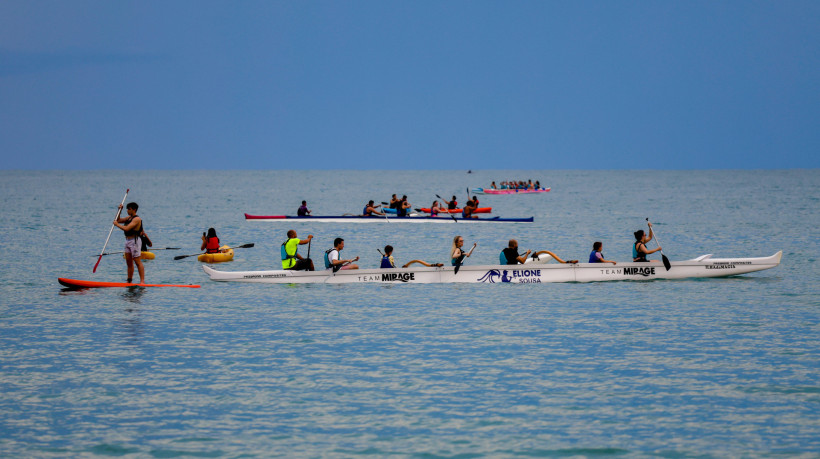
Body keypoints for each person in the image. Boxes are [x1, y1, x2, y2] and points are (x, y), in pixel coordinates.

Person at [113, 202, 145, 284]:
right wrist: (120, 210)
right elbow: (118, 220)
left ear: (134, 210)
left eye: (129, 209)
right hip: (127, 241)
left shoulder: (137, 219)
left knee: (137, 261)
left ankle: (142, 281)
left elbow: (127, 228)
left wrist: (117, 225)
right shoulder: (128, 218)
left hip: (135, 241)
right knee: (129, 262)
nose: (127, 210)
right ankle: (129, 280)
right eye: (127, 209)